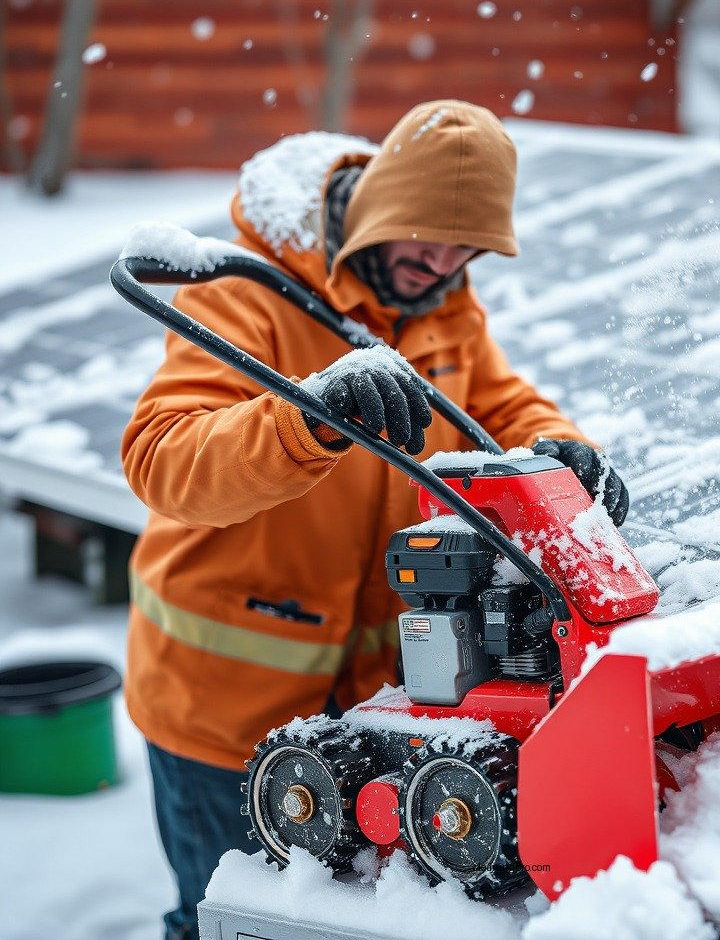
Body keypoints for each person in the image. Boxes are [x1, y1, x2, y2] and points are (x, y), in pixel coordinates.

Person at [121, 99, 630, 940]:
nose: (442, 263)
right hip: (222, 712)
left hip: (373, 718)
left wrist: (564, 454)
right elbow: (163, 461)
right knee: (225, 922)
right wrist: (304, 420)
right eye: (425, 237)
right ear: (378, 209)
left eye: (467, 247)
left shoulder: (443, 304)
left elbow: (503, 406)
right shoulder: (247, 294)